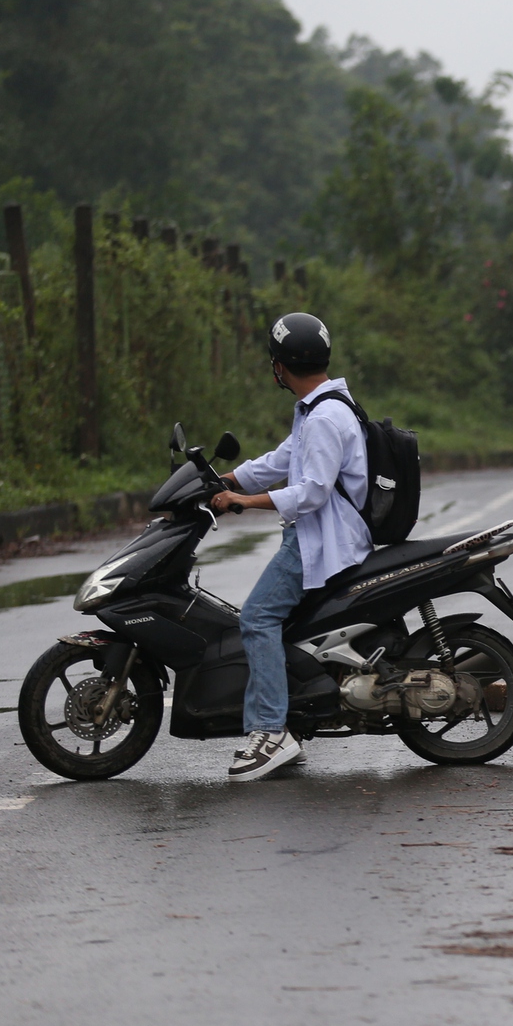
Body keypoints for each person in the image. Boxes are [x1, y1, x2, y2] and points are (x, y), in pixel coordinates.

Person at [208, 312, 371, 782]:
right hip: (321, 535)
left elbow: (313, 491)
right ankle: (288, 715)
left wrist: (243, 501)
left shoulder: (324, 416)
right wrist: (225, 479)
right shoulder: (323, 407)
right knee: (272, 619)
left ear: (280, 367)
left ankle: (271, 731)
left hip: (321, 540)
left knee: (257, 617)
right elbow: (282, 460)